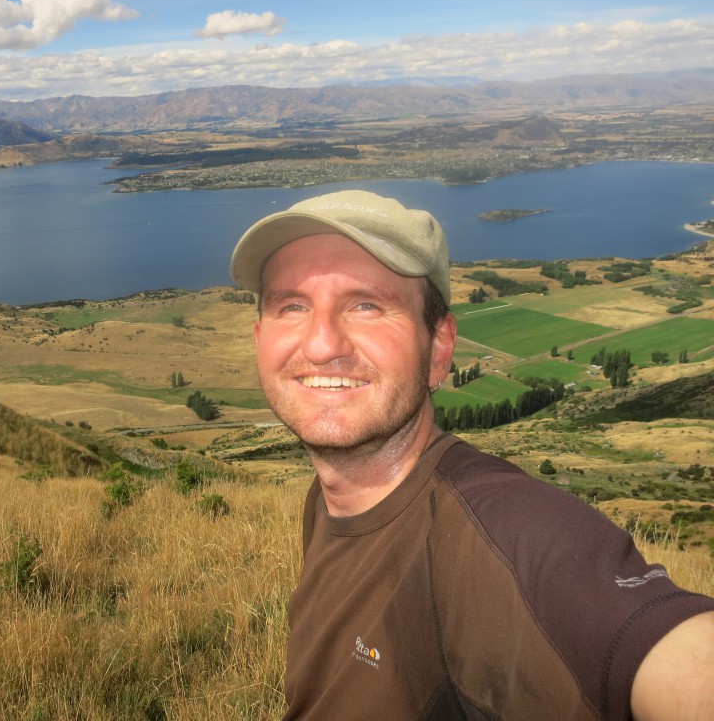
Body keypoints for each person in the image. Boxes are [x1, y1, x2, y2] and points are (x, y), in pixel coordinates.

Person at [229, 189, 714, 720]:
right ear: (258, 338)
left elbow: (666, 654)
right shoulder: (331, 502)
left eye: (367, 305)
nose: (322, 344)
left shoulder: (503, 528)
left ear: (439, 348)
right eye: (292, 306)